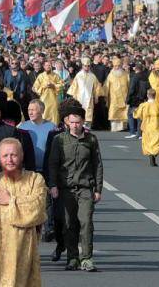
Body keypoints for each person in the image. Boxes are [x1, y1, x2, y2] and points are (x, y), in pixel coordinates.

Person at [0, 137, 46, 287]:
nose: (9, 159)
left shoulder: (35, 180)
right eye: (5, 156)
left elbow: (37, 210)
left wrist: (10, 201)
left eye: (14, 155)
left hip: (25, 251)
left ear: (22, 156)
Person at [47, 102, 103, 272]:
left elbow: (97, 165)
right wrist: (53, 185)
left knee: (86, 222)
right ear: (66, 122)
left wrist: (98, 189)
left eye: (78, 122)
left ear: (83, 122)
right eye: (72, 122)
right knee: (69, 224)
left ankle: (86, 258)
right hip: (66, 189)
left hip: (85, 188)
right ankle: (72, 258)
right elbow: (53, 164)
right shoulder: (59, 140)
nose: (75, 125)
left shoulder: (91, 139)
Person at [132, 79, 159, 166]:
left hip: (147, 125)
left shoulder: (143, 105)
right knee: (157, 141)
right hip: (157, 125)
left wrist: (134, 112)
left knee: (148, 141)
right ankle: (154, 154)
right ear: (155, 95)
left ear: (148, 95)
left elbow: (137, 115)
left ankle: (151, 155)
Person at [104, 56, 129, 132]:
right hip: (113, 98)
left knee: (123, 112)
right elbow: (106, 86)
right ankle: (114, 127)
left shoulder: (126, 74)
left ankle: (123, 127)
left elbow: (129, 85)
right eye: (115, 66)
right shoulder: (110, 75)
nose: (117, 67)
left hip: (124, 97)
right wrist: (105, 95)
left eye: (119, 66)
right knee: (114, 111)